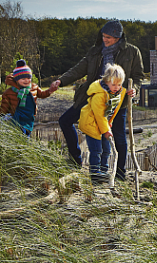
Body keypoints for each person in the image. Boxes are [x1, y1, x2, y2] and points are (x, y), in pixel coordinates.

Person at [51, 20, 142, 179]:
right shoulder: (96, 51)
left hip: (116, 101)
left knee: (118, 135)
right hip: (91, 97)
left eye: (108, 37)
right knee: (65, 120)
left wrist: (135, 89)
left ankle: (120, 172)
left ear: (118, 37)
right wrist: (61, 81)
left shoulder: (132, 52)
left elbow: (138, 76)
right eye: (103, 36)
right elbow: (79, 68)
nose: (105, 40)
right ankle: (75, 160)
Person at [78, 64, 126, 184]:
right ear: (106, 81)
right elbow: (99, 115)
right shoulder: (99, 95)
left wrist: (107, 126)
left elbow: (110, 112)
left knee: (107, 149)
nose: (116, 87)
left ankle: (103, 170)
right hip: (91, 124)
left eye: (119, 84)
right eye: (113, 84)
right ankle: (95, 173)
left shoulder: (115, 94)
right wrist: (105, 130)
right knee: (96, 150)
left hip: (103, 125)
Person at [0, 59, 57, 136]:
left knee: (26, 137)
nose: (26, 81)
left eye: (28, 78)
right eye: (23, 79)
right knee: (18, 137)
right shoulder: (9, 92)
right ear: (16, 80)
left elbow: (42, 94)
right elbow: (4, 108)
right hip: (15, 119)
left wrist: (50, 91)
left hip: (29, 119)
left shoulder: (34, 87)